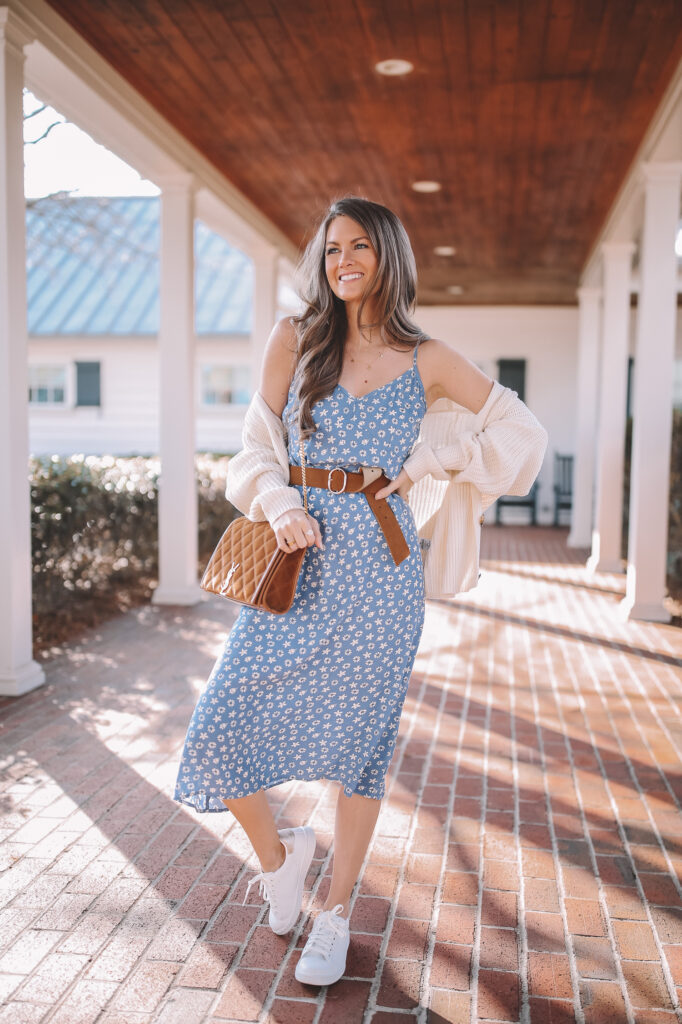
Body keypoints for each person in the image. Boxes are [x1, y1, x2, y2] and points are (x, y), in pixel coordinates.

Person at [173, 195, 548, 987]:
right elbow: (253, 446)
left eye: (359, 247)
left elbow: (521, 436)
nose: (342, 260)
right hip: (295, 560)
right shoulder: (295, 339)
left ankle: (336, 915)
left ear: (388, 258)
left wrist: (423, 469)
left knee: (361, 753)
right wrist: (278, 503)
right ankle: (281, 862)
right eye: (332, 248)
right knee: (215, 729)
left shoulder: (430, 357)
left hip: (381, 573)